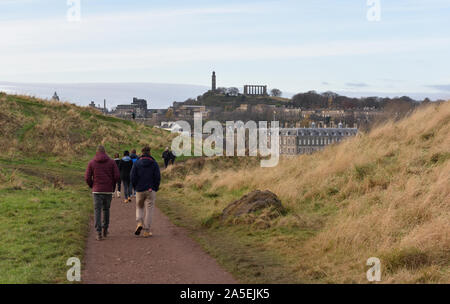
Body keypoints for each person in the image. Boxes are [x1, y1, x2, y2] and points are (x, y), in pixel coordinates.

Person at [85, 145, 120, 241]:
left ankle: (98, 232)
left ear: (97, 152)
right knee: (106, 209)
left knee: (97, 210)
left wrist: (92, 185)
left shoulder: (91, 163)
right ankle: (105, 228)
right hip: (108, 190)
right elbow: (117, 176)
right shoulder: (112, 162)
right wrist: (112, 185)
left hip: (96, 190)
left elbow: (87, 178)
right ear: (105, 152)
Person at [130, 146, 161, 238]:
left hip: (139, 189)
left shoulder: (137, 163)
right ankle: (147, 231)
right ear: (150, 152)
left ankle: (139, 223)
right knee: (149, 210)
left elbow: (132, 177)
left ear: (141, 152)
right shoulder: (154, 163)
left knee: (139, 207)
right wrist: (155, 187)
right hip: (150, 189)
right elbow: (158, 177)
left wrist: (135, 187)